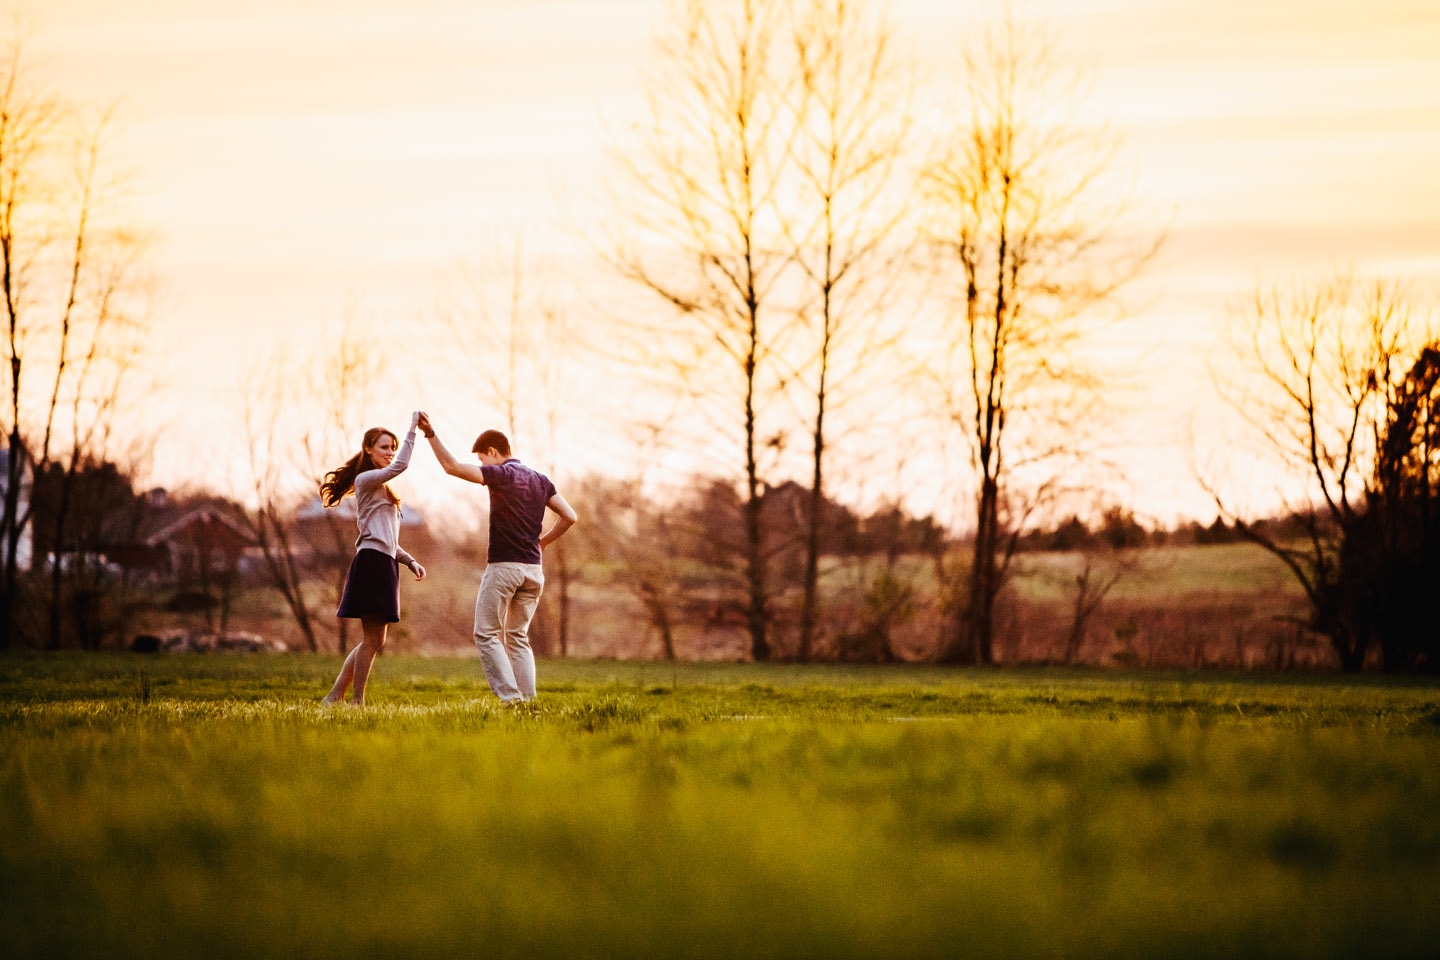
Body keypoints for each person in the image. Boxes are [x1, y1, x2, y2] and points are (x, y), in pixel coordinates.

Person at [417, 412, 575, 703]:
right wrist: (542, 543)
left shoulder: (502, 474)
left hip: (504, 568)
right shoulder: (541, 480)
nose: (481, 466)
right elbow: (569, 516)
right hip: (533, 572)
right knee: (517, 638)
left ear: (492, 452)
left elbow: (451, 467)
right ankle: (528, 702)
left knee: (486, 634)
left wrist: (430, 434)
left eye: (482, 460)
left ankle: (511, 700)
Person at [319, 413, 427, 705]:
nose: (390, 453)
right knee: (372, 641)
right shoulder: (365, 479)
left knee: (376, 641)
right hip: (371, 563)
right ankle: (356, 702)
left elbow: (387, 537)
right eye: (384, 447)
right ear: (367, 448)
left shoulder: (384, 488)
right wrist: (413, 429)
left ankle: (334, 697)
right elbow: (402, 465)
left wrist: (409, 560)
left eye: (392, 447)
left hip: (384, 563)